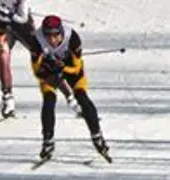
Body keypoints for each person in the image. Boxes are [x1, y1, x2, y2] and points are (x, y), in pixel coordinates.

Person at [27, 15, 110, 162]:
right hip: (50, 73)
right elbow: (36, 71)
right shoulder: (36, 40)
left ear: (61, 32)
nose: (52, 40)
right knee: (49, 100)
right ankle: (48, 141)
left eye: (56, 36)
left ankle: (97, 136)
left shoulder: (72, 38)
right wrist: (49, 70)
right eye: (48, 36)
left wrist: (63, 68)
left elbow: (76, 68)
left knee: (82, 97)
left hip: (71, 69)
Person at [0, 0, 81, 118]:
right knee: (3, 55)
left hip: (23, 27)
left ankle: (72, 100)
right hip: (3, 27)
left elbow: (23, 18)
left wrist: (8, 13)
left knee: (45, 59)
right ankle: (8, 99)